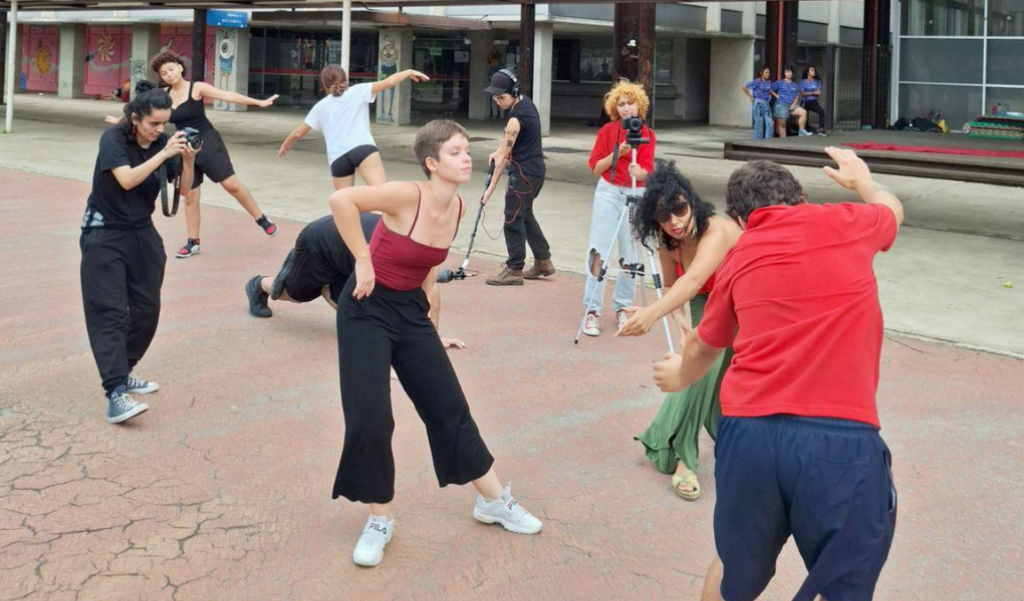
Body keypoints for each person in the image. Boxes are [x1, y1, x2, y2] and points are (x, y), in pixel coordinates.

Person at [653, 148, 903, 601]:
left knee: (732, 572)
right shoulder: (850, 221)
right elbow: (892, 209)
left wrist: (680, 376)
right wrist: (862, 180)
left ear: (740, 219)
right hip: (841, 440)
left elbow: (706, 346)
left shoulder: (741, 254)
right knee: (842, 588)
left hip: (751, 437)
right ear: (801, 197)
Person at [328, 120, 542, 568]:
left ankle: (492, 501)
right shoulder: (408, 195)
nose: (466, 158)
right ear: (431, 162)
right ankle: (380, 519)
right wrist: (362, 260)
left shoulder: (457, 205)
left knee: (449, 407)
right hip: (366, 309)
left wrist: (430, 332)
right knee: (371, 419)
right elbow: (341, 200)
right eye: (455, 152)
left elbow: (426, 271)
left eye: (467, 150)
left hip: (411, 313)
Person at [616, 160, 741, 501]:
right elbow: (675, 286)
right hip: (706, 304)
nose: (674, 221)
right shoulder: (667, 242)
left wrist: (651, 314)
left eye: (680, 208)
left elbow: (695, 278)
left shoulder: (716, 231)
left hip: (743, 302)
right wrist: (679, 320)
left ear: (691, 201)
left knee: (725, 381)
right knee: (702, 372)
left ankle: (720, 442)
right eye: (663, 215)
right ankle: (686, 458)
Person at [81, 80, 197, 424]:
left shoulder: (163, 143)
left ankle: (125, 368)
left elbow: (184, 191)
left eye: (164, 123)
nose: (160, 130)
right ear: (135, 118)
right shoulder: (114, 140)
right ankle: (115, 392)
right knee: (111, 311)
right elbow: (127, 179)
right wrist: (164, 154)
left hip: (141, 232)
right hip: (104, 233)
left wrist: (188, 160)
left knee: (147, 309)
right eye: (154, 124)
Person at [106, 51, 280, 259]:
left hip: (207, 140)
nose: (169, 74)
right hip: (184, 145)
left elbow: (227, 95)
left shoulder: (196, 88)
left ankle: (261, 219)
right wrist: (119, 121)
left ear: (180, 67)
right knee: (190, 194)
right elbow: (141, 110)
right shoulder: (163, 95)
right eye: (164, 73)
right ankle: (193, 242)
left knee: (230, 184)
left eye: (171, 69)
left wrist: (259, 103)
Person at [244, 212, 465, 349]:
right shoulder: (384, 256)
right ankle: (258, 284)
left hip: (347, 254)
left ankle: (328, 284)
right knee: (294, 295)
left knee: (359, 312)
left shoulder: (428, 248)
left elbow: (430, 290)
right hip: (319, 242)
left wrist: (431, 339)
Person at [581, 80, 656, 336]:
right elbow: (595, 167)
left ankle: (623, 307)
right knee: (598, 250)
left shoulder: (647, 134)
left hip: (635, 191)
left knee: (630, 252)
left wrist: (640, 172)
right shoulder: (608, 131)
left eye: (630, 103)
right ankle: (591, 310)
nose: (626, 108)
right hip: (609, 192)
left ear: (639, 105)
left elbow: (648, 170)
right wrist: (618, 154)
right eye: (621, 104)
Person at [277, 64, 429, 190]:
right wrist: (408, 71)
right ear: (345, 78)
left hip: (338, 157)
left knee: (345, 205)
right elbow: (389, 82)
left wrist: (285, 145)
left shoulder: (320, 107)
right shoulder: (359, 90)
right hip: (363, 148)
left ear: (324, 84)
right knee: (382, 195)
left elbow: (298, 133)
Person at [481, 69, 555, 286]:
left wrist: (490, 189)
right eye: (495, 98)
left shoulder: (516, 117)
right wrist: (498, 150)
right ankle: (543, 261)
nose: (498, 102)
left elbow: (503, 157)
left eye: (501, 97)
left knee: (512, 218)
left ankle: (514, 269)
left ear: (514, 92)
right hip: (534, 172)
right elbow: (506, 146)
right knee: (525, 215)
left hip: (524, 175)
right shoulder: (524, 104)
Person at [771, 65, 811, 138]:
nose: (789, 73)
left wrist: (794, 104)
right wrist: (776, 95)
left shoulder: (795, 85)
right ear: (784, 73)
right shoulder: (779, 82)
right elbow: (769, 88)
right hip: (781, 104)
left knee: (803, 112)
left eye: (790, 72)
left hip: (792, 105)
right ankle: (783, 140)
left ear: (792, 73)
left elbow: (797, 96)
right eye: (787, 71)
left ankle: (801, 131)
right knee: (782, 124)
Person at [741, 66, 774, 140]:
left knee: (770, 123)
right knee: (759, 124)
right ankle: (757, 142)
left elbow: (769, 91)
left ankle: (768, 141)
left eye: (768, 72)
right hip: (758, 103)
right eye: (766, 72)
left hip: (766, 103)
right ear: (761, 73)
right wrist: (750, 96)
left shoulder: (768, 82)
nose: (768, 74)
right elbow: (744, 87)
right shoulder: (757, 81)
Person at [800, 65, 827, 135]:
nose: (814, 72)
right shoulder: (803, 82)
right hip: (805, 102)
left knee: (821, 111)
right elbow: (802, 93)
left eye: (814, 70)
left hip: (814, 102)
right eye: (812, 70)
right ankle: (805, 129)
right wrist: (813, 92)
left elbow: (818, 93)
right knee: (805, 114)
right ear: (808, 72)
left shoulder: (817, 82)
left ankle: (821, 128)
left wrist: (808, 92)